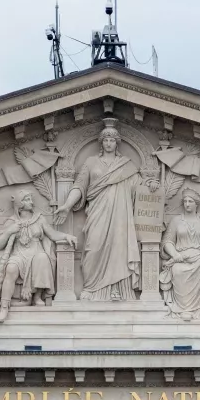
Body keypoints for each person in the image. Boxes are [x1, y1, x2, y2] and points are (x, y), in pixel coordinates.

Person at [54, 119, 155, 301]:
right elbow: (79, 186)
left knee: (119, 248)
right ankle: (91, 288)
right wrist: (67, 206)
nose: (109, 143)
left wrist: (152, 185)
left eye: (112, 140)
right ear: (101, 143)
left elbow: (140, 189)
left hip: (121, 215)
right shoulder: (91, 162)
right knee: (93, 247)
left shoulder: (127, 165)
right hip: (97, 213)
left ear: (117, 143)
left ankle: (119, 290)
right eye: (106, 140)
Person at [0, 190, 77, 321]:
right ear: (20, 203)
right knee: (11, 267)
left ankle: (37, 297)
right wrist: (9, 231)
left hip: (36, 251)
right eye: (28, 199)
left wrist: (66, 236)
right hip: (18, 253)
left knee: (42, 258)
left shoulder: (39, 219)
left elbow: (52, 234)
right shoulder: (12, 221)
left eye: (31, 199)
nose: (31, 202)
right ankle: (4, 307)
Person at [160, 188, 200, 320]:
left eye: (190, 201)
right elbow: (167, 241)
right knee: (177, 270)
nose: (187, 204)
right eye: (185, 201)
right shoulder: (176, 221)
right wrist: (175, 255)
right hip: (181, 258)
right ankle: (185, 307)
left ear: (196, 204)